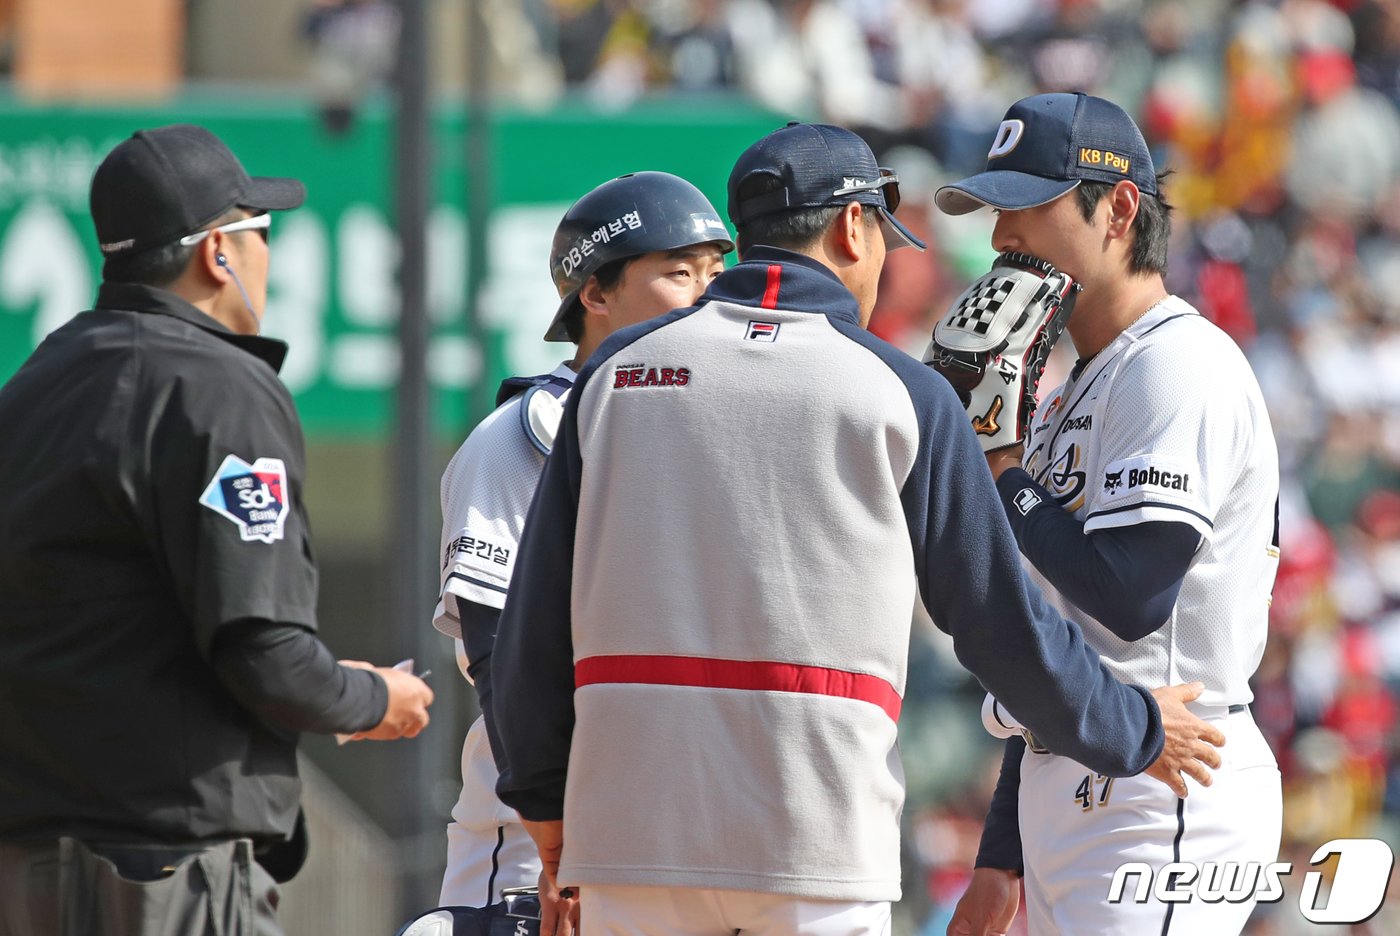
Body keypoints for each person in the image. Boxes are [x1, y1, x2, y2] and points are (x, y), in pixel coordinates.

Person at [486, 121, 1226, 936]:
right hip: (819, 841)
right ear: (850, 228)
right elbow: (1000, 627)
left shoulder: (611, 376)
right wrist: (1136, 729)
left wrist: (550, 819)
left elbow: (532, 630)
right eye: (882, 233)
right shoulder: (901, 391)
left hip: (632, 838)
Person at [0, 124, 434, 936]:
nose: (269, 256)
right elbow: (264, 653)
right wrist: (374, 697)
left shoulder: (36, 383)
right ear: (217, 253)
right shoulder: (216, 386)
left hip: (25, 863)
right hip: (158, 871)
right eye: (258, 233)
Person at [935, 93, 1282, 936]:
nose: (999, 237)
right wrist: (1001, 856)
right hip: (1083, 778)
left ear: (1118, 207)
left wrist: (1000, 469)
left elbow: (1128, 595)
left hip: (1162, 790)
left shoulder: (1177, 363)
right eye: (995, 209)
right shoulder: (1077, 387)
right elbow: (1060, 643)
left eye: (1026, 206)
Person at [407, 172, 732, 936]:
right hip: (535, 856)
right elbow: (499, 661)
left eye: (716, 272)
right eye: (679, 272)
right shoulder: (520, 438)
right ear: (595, 293)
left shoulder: (717, 429)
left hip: (677, 851)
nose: (706, 294)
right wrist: (561, 839)